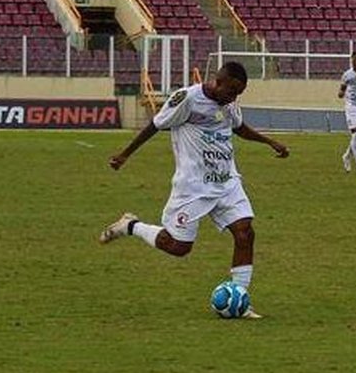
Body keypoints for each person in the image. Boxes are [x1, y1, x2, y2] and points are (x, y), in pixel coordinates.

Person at [99, 62, 290, 319]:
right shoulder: (187, 99)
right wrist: (125, 155)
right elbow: (156, 124)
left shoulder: (229, 103)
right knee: (179, 247)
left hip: (226, 182)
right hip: (193, 187)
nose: (233, 98)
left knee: (245, 233)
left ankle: (240, 300)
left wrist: (270, 142)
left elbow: (238, 127)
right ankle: (130, 226)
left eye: (238, 94)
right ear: (218, 81)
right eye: (231, 91)